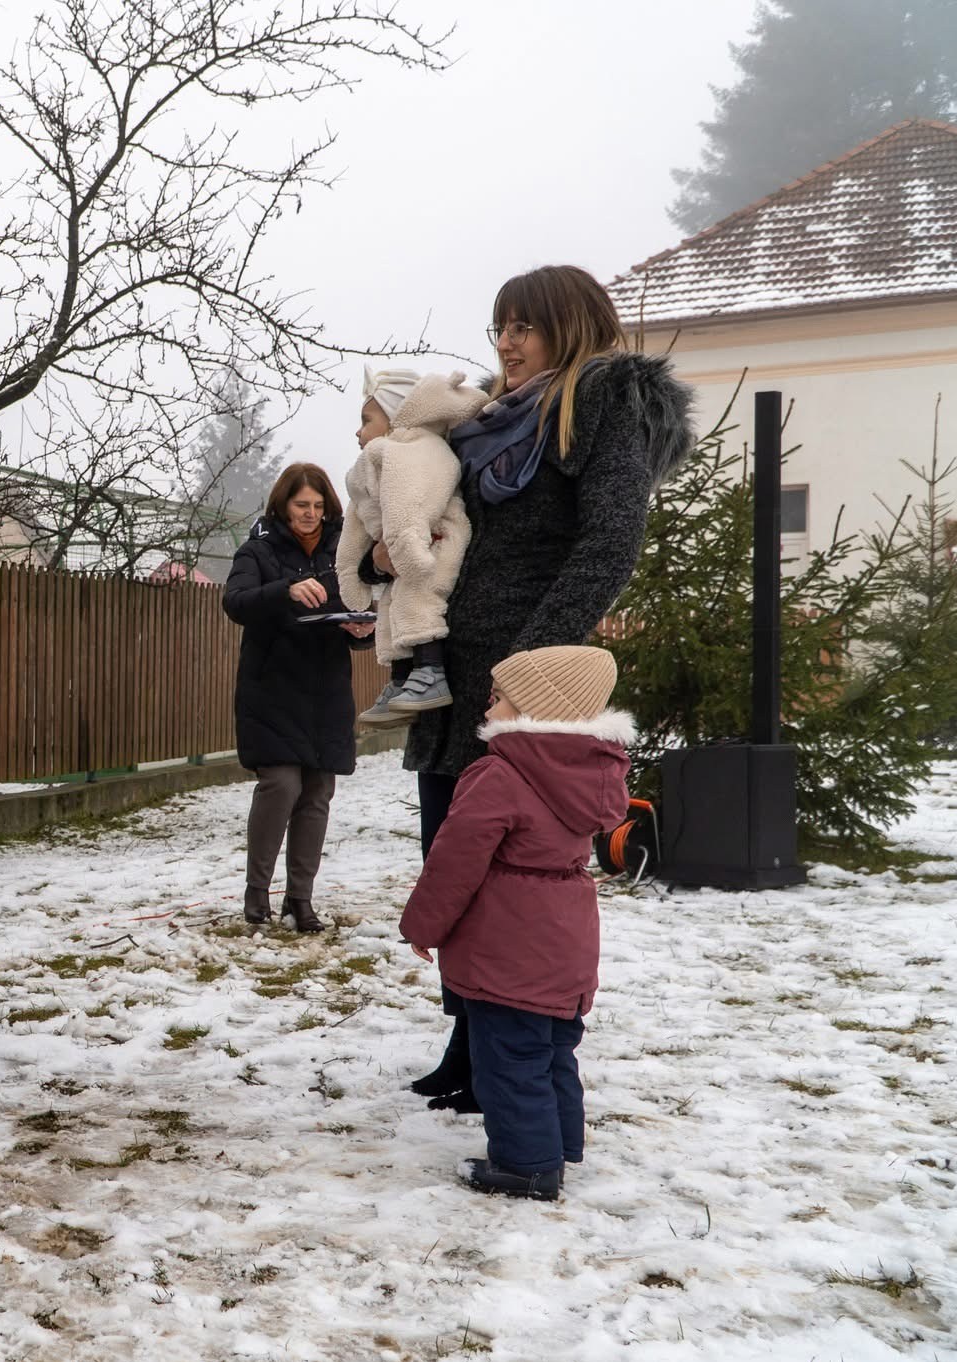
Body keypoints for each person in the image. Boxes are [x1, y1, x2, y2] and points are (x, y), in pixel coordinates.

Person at [364, 265, 693, 1114]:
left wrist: (526, 667)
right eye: (498, 328)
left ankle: (503, 1052)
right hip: (451, 667)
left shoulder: (602, 402)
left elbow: (609, 544)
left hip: (518, 686)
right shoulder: (490, 426)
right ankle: (469, 1032)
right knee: (453, 855)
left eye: (524, 327)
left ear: (571, 326)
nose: (505, 344)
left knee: (509, 875)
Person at [399, 645, 632, 1200]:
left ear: (534, 709)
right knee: (553, 1048)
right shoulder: (591, 770)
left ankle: (527, 1167)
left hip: (508, 939)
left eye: (500, 696)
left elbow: (455, 861)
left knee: (508, 1057)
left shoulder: (501, 774)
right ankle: (556, 1146)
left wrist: (422, 926)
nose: (488, 702)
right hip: (567, 932)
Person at [221, 463, 377, 933]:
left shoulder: (344, 553)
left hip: (326, 691)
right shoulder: (258, 549)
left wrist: (361, 628)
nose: (310, 514)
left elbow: (362, 609)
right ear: (283, 505)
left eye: (317, 505)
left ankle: (300, 900)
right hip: (271, 690)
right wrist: (285, 589)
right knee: (281, 785)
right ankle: (256, 896)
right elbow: (236, 602)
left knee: (317, 793)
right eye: (300, 505)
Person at [338, 367, 486, 722]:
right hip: (406, 552)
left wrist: (406, 548)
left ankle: (431, 672)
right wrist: (352, 570)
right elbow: (355, 523)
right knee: (391, 606)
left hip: (434, 543)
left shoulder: (418, 451)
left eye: (367, 419)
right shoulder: (368, 467)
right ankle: (402, 679)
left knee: (418, 599)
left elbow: (409, 504)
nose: (359, 431)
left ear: (393, 419)